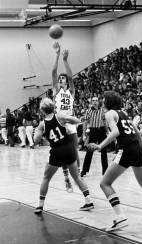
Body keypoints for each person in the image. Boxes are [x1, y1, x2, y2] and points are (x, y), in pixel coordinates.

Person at [89, 91, 142, 232]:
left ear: (107, 102)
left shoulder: (109, 114)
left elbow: (115, 133)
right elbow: (137, 133)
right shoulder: (123, 113)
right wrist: (141, 152)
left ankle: (120, 216)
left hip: (125, 150)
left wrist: (100, 146)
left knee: (104, 183)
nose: (102, 101)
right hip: (136, 148)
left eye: (103, 99)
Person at [33, 97, 94, 214]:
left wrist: (37, 132)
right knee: (77, 176)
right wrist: (68, 126)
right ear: (52, 107)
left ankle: (40, 205)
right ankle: (89, 201)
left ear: (42, 110)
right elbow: (76, 120)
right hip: (69, 149)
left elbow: (35, 141)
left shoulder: (42, 124)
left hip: (56, 151)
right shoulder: (60, 117)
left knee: (46, 178)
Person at [52, 42, 80, 193]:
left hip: (70, 122)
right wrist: (57, 55)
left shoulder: (71, 91)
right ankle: (66, 178)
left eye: (64, 78)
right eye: (60, 78)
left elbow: (70, 76)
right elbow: (53, 72)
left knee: (74, 150)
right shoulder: (56, 90)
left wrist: (65, 60)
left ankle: (78, 174)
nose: (62, 79)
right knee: (63, 153)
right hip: (60, 123)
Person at [81, 96, 108, 177]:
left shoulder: (102, 110)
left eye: (96, 100)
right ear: (91, 102)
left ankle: (105, 171)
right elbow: (85, 123)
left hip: (102, 130)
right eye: (93, 100)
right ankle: (84, 170)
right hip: (93, 131)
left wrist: (107, 131)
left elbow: (105, 121)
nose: (95, 102)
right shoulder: (88, 111)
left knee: (104, 151)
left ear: (98, 102)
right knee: (89, 151)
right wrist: (84, 134)